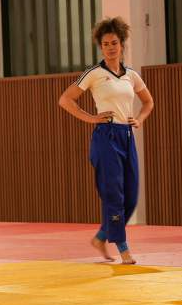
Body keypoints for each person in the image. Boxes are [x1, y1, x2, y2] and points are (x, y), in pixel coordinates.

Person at [58, 17, 154, 264]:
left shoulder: (131, 75)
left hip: (127, 136)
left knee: (131, 196)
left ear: (121, 45)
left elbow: (148, 101)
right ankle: (123, 249)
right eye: (106, 44)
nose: (110, 47)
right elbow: (65, 100)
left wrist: (140, 119)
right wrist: (91, 119)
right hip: (105, 137)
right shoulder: (94, 73)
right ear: (101, 47)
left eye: (114, 43)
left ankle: (101, 236)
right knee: (114, 194)